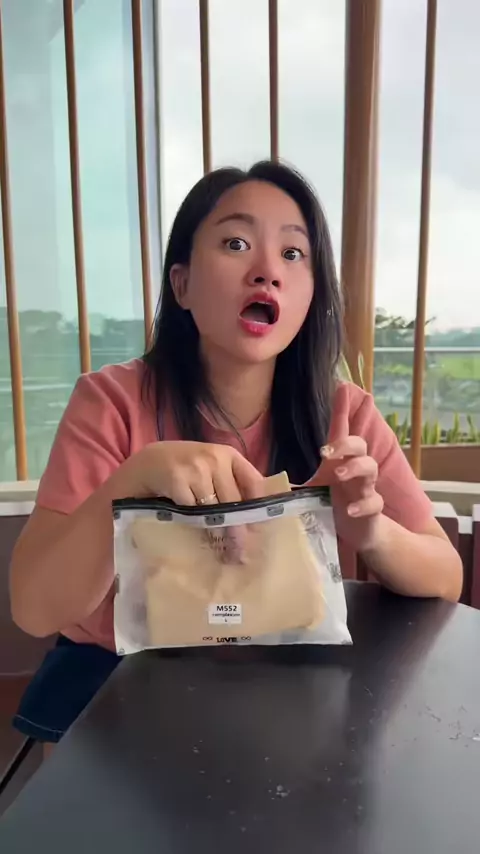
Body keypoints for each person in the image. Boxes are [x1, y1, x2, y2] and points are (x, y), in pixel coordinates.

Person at [9, 161, 462, 747]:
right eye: (236, 243)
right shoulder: (111, 402)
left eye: (293, 254)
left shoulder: (345, 414)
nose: (268, 270)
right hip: (114, 687)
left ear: (311, 295)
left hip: (291, 691)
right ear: (182, 285)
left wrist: (370, 531)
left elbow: (446, 575)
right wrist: (132, 481)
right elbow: (35, 609)